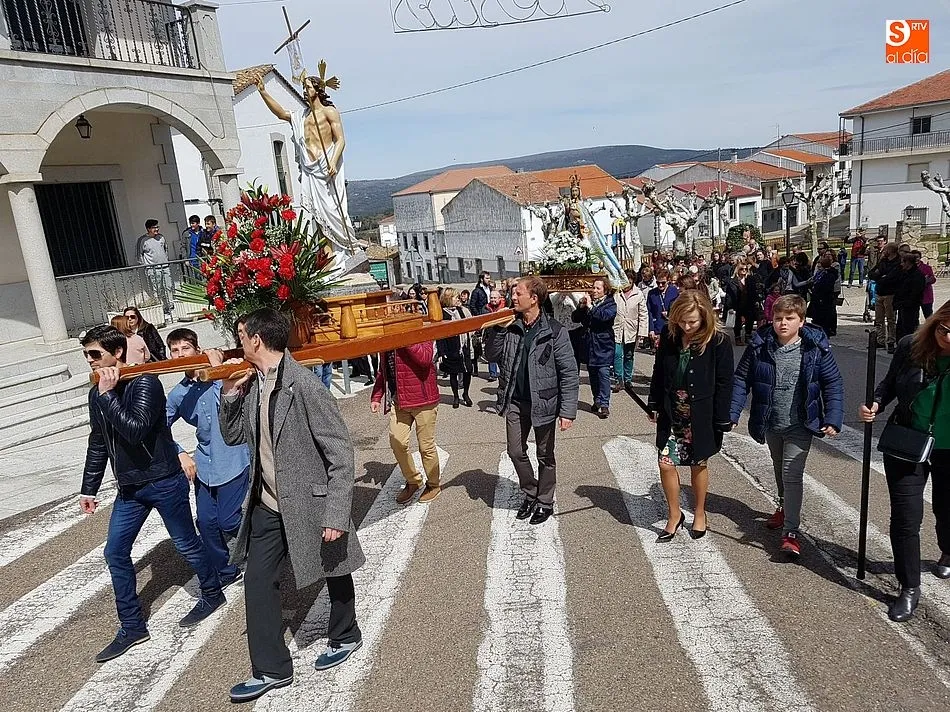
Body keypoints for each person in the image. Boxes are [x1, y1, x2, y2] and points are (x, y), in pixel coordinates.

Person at [220, 309, 364, 702]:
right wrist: (230, 392)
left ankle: (345, 634)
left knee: (333, 565)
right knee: (257, 580)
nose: (238, 340)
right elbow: (233, 436)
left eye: (240, 333)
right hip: (267, 501)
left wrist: (336, 512)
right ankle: (271, 669)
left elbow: (339, 452)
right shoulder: (253, 384)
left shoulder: (304, 385)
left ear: (256, 339)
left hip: (308, 499)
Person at [79, 325, 224, 664]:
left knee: (186, 542)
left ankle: (211, 591)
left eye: (95, 354)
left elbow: (134, 430)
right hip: (129, 488)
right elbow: (98, 441)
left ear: (117, 353)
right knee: (115, 552)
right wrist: (89, 487)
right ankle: (132, 626)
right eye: (86, 355)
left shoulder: (146, 383)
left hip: (162, 480)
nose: (90, 362)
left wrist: (108, 395)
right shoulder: (97, 392)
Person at [730, 295, 843, 557]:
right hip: (771, 420)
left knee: (792, 474)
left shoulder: (815, 348)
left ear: (801, 321)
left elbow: (833, 384)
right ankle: (783, 508)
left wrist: (833, 418)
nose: (783, 323)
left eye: (789, 318)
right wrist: (733, 413)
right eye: (778, 318)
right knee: (779, 468)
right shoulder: (760, 345)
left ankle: (791, 533)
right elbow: (740, 380)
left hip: (801, 423)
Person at [859, 300, 950, 622]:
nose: (948, 338)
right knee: (906, 518)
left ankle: (947, 548)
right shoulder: (911, 346)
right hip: (908, 441)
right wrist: (877, 403)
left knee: (946, 509)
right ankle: (909, 586)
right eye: (944, 329)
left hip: (948, 448)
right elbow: (890, 383)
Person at [484, 276, 579, 525]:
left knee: (545, 455)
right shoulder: (511, 325)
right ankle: (531, 492)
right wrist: (497, 328)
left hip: (545, 402)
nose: (512, 298)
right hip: (515, 400)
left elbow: (569, 372)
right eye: (513, 294)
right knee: (515, 451)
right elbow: (490, 355)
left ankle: (545, 501)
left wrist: (567, 411)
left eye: (518, 294)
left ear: (534, 298)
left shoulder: (555, 331)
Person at [165, 329, 250, 588]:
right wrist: (178, 451)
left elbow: (231, 401)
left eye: (185, 348)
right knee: (205, 521)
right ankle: (226, 570)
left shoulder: (221, 375)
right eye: (175, 350)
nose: (180, 355)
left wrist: (218, 368)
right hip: (205, 462)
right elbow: (157, 427)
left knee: (229, 520)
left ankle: (266, 544)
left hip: (235, 458)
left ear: (197, 349)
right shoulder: (178, 393)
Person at [648, 291, 734, 541]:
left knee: (698, 463)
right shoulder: (669, 334)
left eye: (693, 322)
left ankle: (699, 512)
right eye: (682, 321)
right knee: (665, 462)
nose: (687, 327)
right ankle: (674, 514)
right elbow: (659, 370)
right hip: (672, 410)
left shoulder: (718, 341)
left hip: (701, 413)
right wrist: (653, 402)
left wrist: (721, 417)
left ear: (704, 317)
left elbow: (724, 382)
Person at [371, 340, 442, 505]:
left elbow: (425, 358)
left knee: (426, 446)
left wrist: (406, 339)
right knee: (397, 442)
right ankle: (413, 481)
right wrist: (376, 396)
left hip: (424, 400)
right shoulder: (386, 338)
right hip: (400, 401)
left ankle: (433, 485)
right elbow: (384, 371)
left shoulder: (421, 331)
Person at [572, 278, 617, 418]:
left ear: (605, 290)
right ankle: (597, 399)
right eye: (594, 288)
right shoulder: (588, 303)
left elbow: (603, 317)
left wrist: (591, 307)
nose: (595, 291)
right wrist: (581, 307)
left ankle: (604, 404)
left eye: (598, 288)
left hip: (603, 343)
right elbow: (575, 318)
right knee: (593, 374)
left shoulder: (610, 304)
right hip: (589, 343)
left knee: (603, 372)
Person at [612, 269, 649, 393]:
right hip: (617, 328)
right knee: (617, 354)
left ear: (633, 281)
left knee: (629, 355)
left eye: (629, 281)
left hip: (631, 329)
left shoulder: (638, 294)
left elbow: (643, 314)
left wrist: (642, 332)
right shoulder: (616, 292)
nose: (626, 284)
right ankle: (619, 379)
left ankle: (628, 379)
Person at [437, 288, 474, 408]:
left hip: (464, 346)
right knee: (453, 373)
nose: (458, 299)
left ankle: (466, 394)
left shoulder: (462, 310)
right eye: (455, 297)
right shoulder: (442, 314)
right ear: (448, 299)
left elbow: (470, 324)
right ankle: (456, 397)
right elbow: (440, 335)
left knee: (468, 371)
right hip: (451, 347)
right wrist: (441, 352)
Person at [136, 219, 174, 321]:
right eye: (154, 227)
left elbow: (165, 249)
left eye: (157, 227)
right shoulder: (143, 240)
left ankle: (170, 307)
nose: (156, 229)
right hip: (153, 269)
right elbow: (139, 255)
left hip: (165, 266)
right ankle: (161, 308)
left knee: (168, 287)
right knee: (157, 289)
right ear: (148, 229)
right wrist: (146, 266)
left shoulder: (161, 238)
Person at [869, 242, 901, 353]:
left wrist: (881, 277)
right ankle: (880, 340)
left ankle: (891, 340)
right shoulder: (883, 261)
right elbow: (871, 273)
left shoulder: (897, 263)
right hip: (879, 292)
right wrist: (880, 276)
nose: (884, 251)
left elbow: (891, 278)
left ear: (890, 250)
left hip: (890, 294)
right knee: (879, 319)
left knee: (891, 319)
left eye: (886, 249)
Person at [894, 252, 926, 341]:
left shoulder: (917, 275)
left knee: (910, 328)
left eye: (903, 262)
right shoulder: (904, 273)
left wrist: (905, 302)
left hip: (911, 306)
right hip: (902, 305)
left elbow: (915, 293)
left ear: (908, 263)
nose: (901, 264)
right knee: (901, 326)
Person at [724, 262, 759, 345]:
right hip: (737, 304)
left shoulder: (750, 279)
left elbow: (754, 291)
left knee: (749, 321)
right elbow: (729, 295)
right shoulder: (733, 281)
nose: (744, 270)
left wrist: (756, 300)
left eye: (746, 269)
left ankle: (748, 336)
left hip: (749, 303)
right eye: (741, 269)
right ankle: (737, 338)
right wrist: (730, 307)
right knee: (738, 322)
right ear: (737, 270)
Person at [807, 253, 839, 337]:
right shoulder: (821, 273)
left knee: (824, 316)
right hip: (817, 297)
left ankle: (826, 330)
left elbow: (825, 286)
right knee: (817, 315)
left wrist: (817, 288)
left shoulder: (829, 274)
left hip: (824, 298)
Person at [647, 268, 679, 348]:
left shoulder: (674, 291)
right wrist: (651, 329)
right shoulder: (652, 294)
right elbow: (649, 312)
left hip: (671, 328)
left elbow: (678, 309)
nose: (660, 285)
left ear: (668, 281)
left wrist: (668, 313)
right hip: (658, 328)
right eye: (658, 283)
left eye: (663, 283)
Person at [485, 289, 505, 381]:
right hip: (490, 333)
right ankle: (493, 374)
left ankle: (503, 373)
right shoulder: (485, 308)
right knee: (491, 353)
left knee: (502, 356)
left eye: (495, 298)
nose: (493, 300)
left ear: (499, 298)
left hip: (502, 334)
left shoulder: (504, 307)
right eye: (491, 298)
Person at [914, 250, 937, 319]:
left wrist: (927, 280)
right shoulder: (909, 268)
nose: (916, 259)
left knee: (929, 317)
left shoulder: (927, 268)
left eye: (917, 257)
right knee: (914, 318)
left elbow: (933, 279)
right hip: (914, 297)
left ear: (920, 257)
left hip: (926, 296)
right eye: (914, 257)